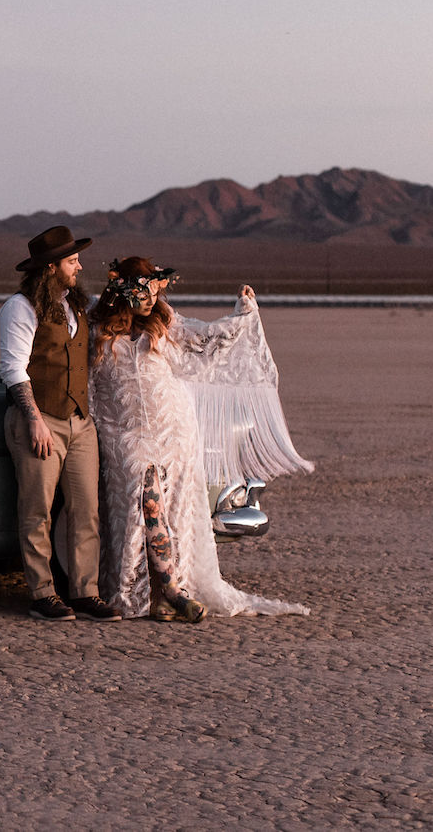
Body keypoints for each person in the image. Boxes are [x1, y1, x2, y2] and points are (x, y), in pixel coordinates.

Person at [88, 257, 312, 622]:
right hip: (124, 433)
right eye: (145, 290)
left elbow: (208, 339)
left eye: (156, 290)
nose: (152, 298)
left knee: (164, 511)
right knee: (148, 503)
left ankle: (166, 595)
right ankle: (171, 591)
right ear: (124, 289)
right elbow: (90, 385)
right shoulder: (96, 327)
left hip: (172, 429)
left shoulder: (164, 322)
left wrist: (242, 313)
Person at [0, 226, 120, 623]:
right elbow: (14, 370)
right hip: (40, 419)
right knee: (37, 510)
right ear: (51, 268)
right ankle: (42, 593)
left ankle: (85, 591)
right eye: (72, 261)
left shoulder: (76, 305)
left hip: (79, 423)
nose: (79, 266)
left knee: (86, 510)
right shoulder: (20, 307)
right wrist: (34, 421)